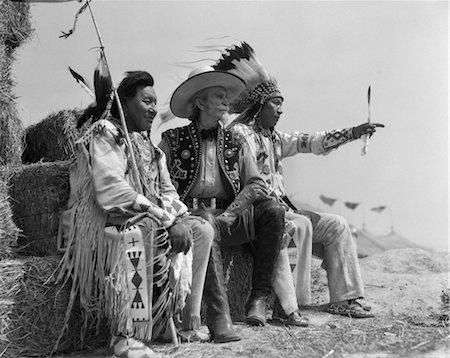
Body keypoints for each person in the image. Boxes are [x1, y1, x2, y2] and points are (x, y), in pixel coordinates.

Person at [215, 41, 384, 318]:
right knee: (301, 225)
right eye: (275, 104)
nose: (281, 110)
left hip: (285, 210)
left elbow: (313, 141)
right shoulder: (239, 135)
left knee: (338, 226)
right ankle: (288, 306)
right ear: (259, 105)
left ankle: (345, 298)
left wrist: (354, 132)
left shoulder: (277, 139)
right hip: (257, 214)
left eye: (282, 105)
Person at [57, 71, 218, 358]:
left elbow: (168, 192)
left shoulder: (152, 149)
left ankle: (185, 320)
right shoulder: (106, 133)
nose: (154, 108)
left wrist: (177, 218)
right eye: (146, 101)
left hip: (151, 220)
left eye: (156, 102)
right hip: (107, 223)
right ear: (125, 102)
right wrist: (165, 219)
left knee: (202, 229)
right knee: (141, 229)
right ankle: (126, 334)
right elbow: (111, 191)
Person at [159, 66, 308, 328]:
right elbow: (156, 178)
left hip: (229, 217)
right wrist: (174, 215)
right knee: (205, 220)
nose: (226, 101)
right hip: (191, 217)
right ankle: (217, 317)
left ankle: (259, 298)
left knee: (273, 212)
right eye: (218, 95)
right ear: (199, 102)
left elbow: (256, 183)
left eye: (226, 95)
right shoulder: (172, 140)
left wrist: (232, 212)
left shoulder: (233, 141)